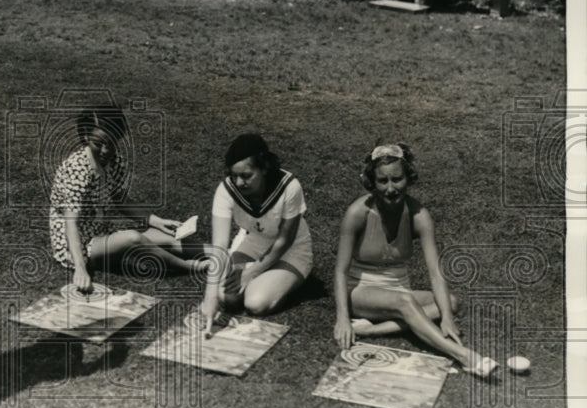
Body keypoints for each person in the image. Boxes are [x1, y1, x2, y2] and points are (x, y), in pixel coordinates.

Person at [332, 143, 497, 377]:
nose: (391, 188)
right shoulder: (357, 213)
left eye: (397, 179)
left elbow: (434, 272)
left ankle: (372, 331)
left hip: (398, 289)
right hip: (359, 290)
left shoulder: (419, 216)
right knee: (405, 302)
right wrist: (342, 319)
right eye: (383, 181)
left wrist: (448, 320)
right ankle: (465, 356)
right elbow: (340, 271)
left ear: (409, 178)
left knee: (450, 302)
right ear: (372, 182)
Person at [49, 105, 208, 294]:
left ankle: (220, 252)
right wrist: (81, 268)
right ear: (85, 137)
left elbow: (120, 199)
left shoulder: (114, 162)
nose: (106, 150)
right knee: (134, 238)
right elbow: (71, 224)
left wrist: (157, 221)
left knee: (165, 236)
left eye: (112, 142)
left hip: (100, 233)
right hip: (76, 246)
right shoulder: (76, 171)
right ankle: (187, 266)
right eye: (99, 144)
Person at [200, 133, 314, 334]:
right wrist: (209, 298)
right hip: (254, 241)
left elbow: (284, 241)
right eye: (234, 175)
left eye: (246, 176)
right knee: (227, 297)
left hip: (292, 248)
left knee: (256, 302)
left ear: (264, 168)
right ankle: (268, 279)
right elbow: (219, 246)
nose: (239, 182)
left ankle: (294, 280)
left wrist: (250, 273)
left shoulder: (289, 186)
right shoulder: (225, 190)